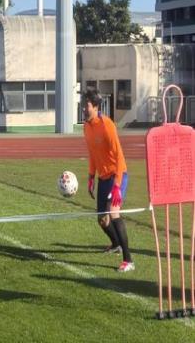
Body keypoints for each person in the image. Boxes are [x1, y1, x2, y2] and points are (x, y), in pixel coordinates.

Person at [83, 89, 134, 273]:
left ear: (96, 107)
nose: (84, 109)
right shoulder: (86, 127)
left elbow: (119, 156)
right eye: (83, 105)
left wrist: (118, 185)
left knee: (113, 213)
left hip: (117, 175)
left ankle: (128, 260)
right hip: (103, 178)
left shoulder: (107, 125)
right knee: (102, 220)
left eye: (87, 106)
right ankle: (115, 244)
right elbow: (92, 153)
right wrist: (91, 176)